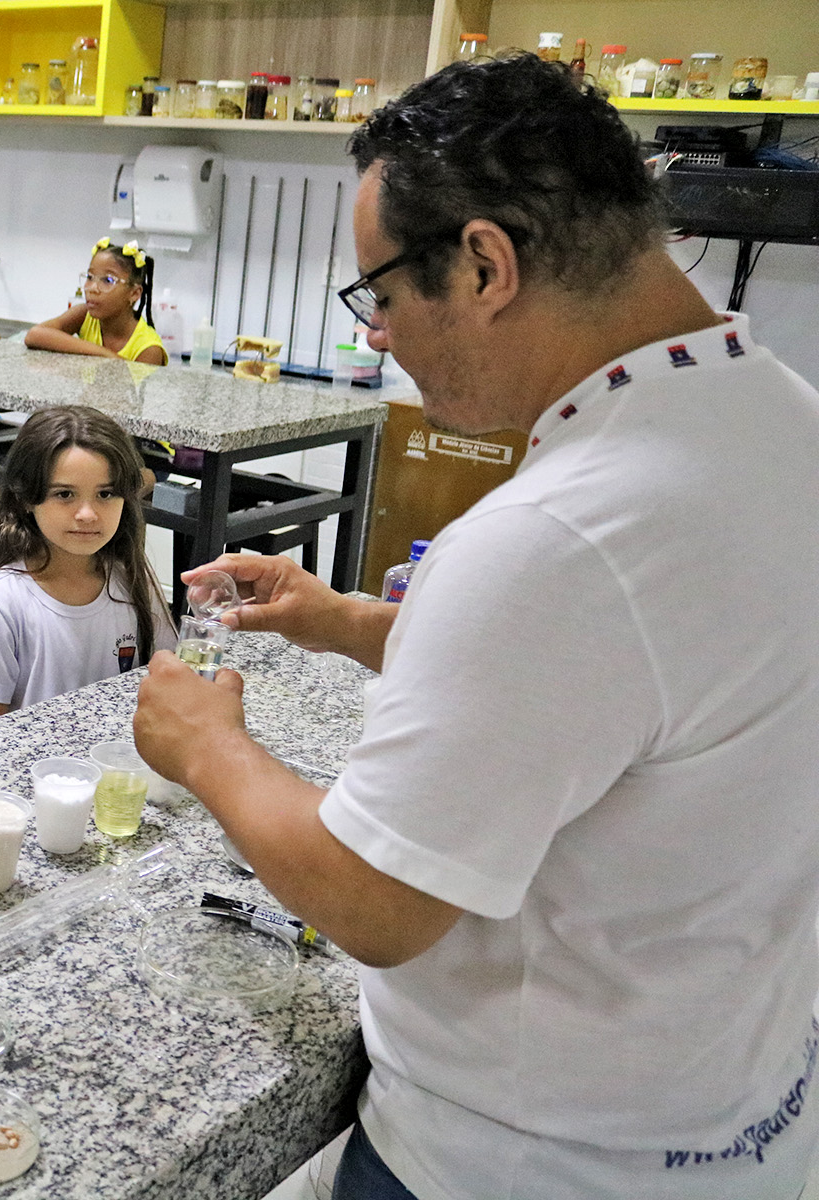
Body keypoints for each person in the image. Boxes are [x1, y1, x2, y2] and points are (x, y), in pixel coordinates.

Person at [132, 53, 819, 1200]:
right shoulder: (777, 416)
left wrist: (207, 746)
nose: (378, 337)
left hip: (527, 1162)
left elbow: (375, 901)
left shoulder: (556, 537)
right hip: (737, 1118)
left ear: (485, 264)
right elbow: (630, 692)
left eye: (381, 295)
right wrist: (351, 622)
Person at [0, 405, 173, 725]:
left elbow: (168, 680)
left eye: (106, 494)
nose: (87, 514)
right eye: (65, 494)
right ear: (26, 498)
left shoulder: (133, 580)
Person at [25, 238, 165, 366]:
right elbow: (34, 335)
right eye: (90, 277)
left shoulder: (149, 349)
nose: (92, 288)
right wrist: (105, 354)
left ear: (134, 293)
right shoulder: (84, 315)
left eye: (108, 280)